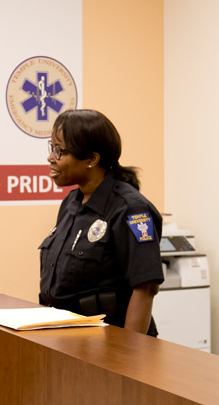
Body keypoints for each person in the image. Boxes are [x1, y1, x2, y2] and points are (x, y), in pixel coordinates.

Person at [38, 109, 164, 335]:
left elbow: (145, 289)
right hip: (69, 339)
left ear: (91, 159)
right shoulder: (71, 202)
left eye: (60, 151)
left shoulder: (131, 209)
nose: (51, 157)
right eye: (51, 147)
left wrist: (128, 357)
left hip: (112, 345)